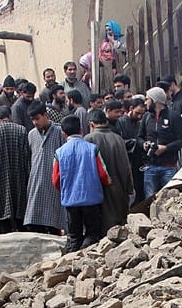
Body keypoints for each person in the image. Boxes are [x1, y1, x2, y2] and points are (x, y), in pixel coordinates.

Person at [53, 115, 111, 252]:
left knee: (74, 236)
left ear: (63, 133)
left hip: (71, 201)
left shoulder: (59, 153)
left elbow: (56, 180)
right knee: (92, 234)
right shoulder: (92, 149)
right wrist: (108, 182)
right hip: (92, 200)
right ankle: (87, 260)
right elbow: (103, 174)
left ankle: (72, 262)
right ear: (81, 130)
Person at [0, 105, 30, 234]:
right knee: (19, 207)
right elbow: (27, 157)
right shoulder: (21, 130)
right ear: (10, 116)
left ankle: (3, 232)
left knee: (1, 207)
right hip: (18, 177)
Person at [23, 100, 66, 235]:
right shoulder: (31, 135)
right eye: (32, 120)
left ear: (45, 115)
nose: (35, 122)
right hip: (36, 181)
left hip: (54, 182)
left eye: (37, 118)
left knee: (54, 222)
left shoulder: (59, 131)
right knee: (34, 222)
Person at [86, 108, 132, 230]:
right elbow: (126, 166)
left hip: (98, 189)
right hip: (119, 188)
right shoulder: (118, 139)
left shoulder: (88, 139)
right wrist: (129, 188)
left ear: (91, 124)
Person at [139, 86, 182, 198]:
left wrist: (166, 148)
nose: (145, 102)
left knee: (170, 198)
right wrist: (144, 145)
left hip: (169, 166)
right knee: (150, 198)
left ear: (155, 100)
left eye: (147, 99)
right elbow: (139, 137)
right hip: (150, 166)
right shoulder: (146, 117)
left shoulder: (173, 116)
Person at [118, 97, 148, 202]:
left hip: (139, 161)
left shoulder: (140, 123)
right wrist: (135, 142)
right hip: (127, 160)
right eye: (137, 113)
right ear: (131, 108)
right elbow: (119, 142)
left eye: (142, 114)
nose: (140, 117)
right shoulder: (120, 122)